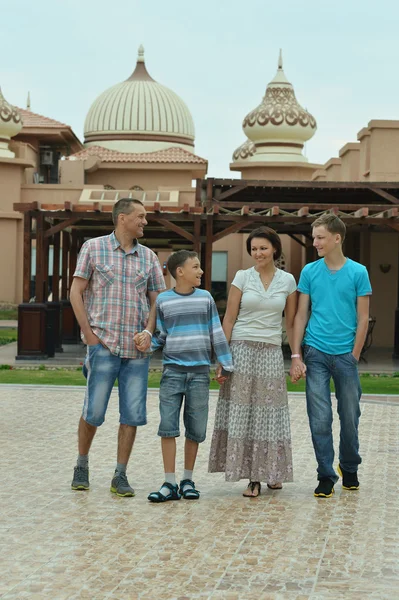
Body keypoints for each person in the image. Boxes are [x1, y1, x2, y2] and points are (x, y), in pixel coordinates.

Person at [70, 198, 165, 497]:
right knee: (93, 411)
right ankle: (81, 465)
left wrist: (149, 332)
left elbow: (157, 300)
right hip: (103, 346)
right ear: (122, 218)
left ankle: (120, 475)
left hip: (136, 352)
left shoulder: (149, 257)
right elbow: (76, 291)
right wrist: (89, 335)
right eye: (141, 216)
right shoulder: (93, 248)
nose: (145, 222)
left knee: (132, 414)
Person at [208, 226, 297, 497]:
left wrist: (295, 356)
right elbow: (230, 319)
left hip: (270, 351)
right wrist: (223, 357)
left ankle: (273, 473)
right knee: (243, 414)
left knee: (270, 414)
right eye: (254, 248)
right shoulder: (242, 277)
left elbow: (291, 323)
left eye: (263, 248)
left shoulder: (288, 281)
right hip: (241, 350)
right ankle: (253, 479)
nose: (258, 253)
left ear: (275, 249)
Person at [289, 214, 372, 498]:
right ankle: (325, 474)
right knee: (320, 418)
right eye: (314, 237)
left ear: (337, 238)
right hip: (316, 353)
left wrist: (354, 355)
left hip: (346, 356)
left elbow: (363, 318)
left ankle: (349, 468)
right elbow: (301, 315)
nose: (315, 243)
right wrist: (296, 354)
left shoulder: (359, 272)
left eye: (320, 237)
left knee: (350, 416)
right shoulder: (310, 272)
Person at [147, 249, 233, 503]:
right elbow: (161, 335)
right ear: (180, 272)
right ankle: (169, 483)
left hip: (198, 375)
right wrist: (146, 344)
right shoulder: (163, 300)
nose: (201, 271)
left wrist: (224, 363)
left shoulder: (205, 298)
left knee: (195, 429)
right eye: (196, 267)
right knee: (168, 428)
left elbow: (215, 332)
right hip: (172, 373)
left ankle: (187, 480)